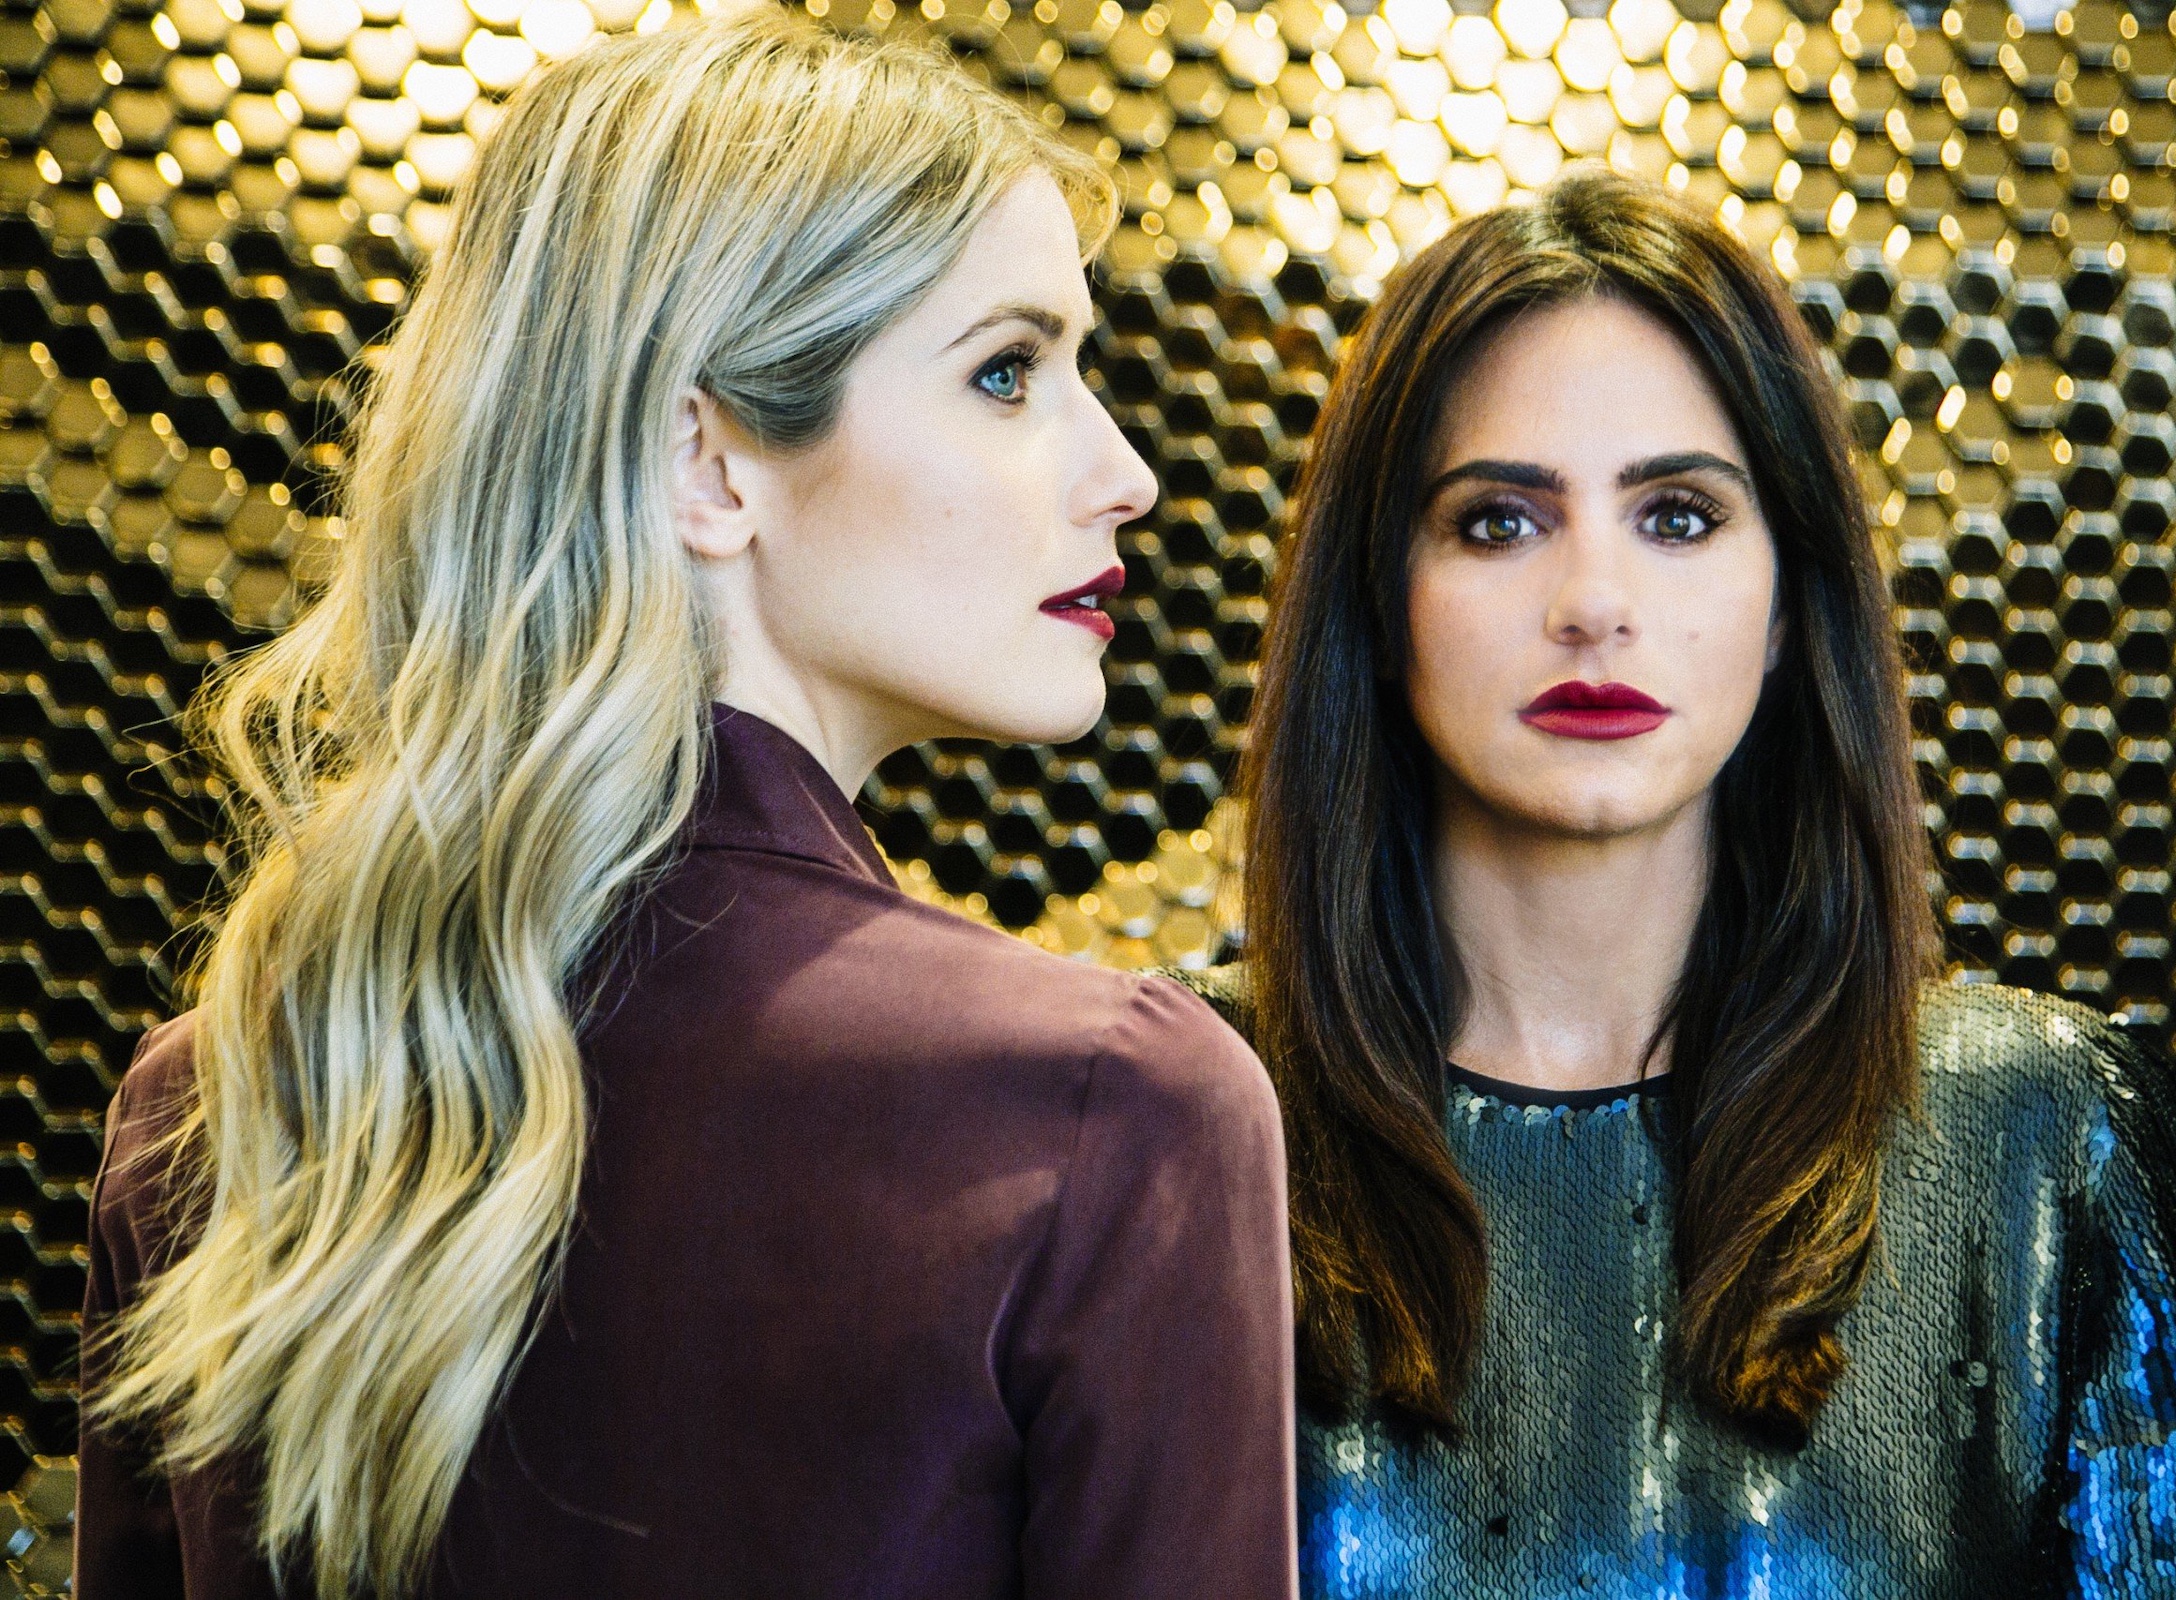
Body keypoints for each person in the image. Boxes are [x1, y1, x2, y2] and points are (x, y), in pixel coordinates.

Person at [76, 10, 1297, 1598]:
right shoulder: (1113, 1113)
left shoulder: (221, 1099)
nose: (1123, 468)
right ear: (708, 465)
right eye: (1007, 372)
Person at [1174, 172, 2176, 1598]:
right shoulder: (1167, 1115)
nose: (1593, 600)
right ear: (1382, 604)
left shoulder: (2039, 1136)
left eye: (1680, 516)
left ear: (1787, 607)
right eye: (1499, 523)